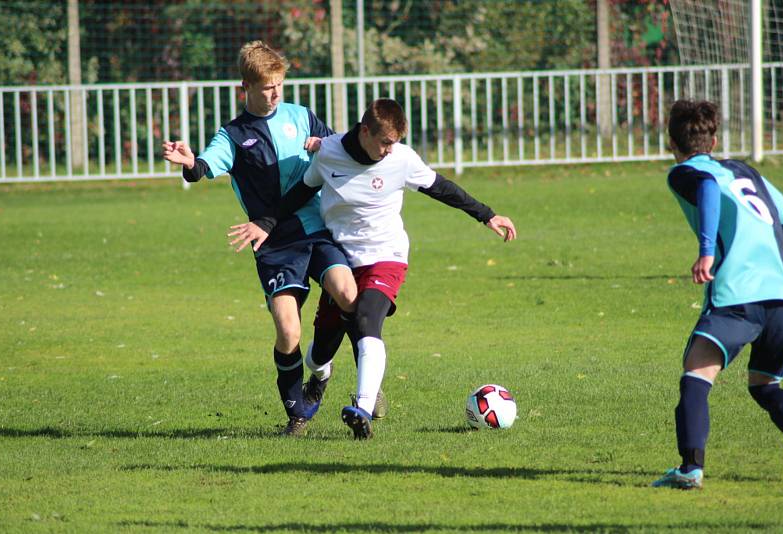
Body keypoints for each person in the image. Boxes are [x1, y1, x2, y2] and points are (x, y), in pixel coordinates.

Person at [237, 98, 517, 439]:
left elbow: (441, 187)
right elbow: (301, 191)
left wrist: (487, 214)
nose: (389, 150)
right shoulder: (329, 152)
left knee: (367, 318)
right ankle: (321, 376)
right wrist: (265, 222)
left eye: (394, 142)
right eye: (385, 142)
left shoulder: (402, 158)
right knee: (318, 354)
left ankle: (363, 408)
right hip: (342, 258)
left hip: (387, 255)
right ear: (365, 131)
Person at [161, 40, 357, 437]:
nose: (275, 93)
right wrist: (189, 164)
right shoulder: (233, 135)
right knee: (288, 330)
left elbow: (339, 150)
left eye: (279, 84)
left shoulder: (301, 116)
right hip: (274, 243)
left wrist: (326, 144)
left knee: (347, 293)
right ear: (245, 87)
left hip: (317, 229)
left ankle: (327, 370)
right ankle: (298, 411)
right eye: (267, 86)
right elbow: (204, 166)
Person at [652, 99, 783, 489]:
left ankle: (690, 469)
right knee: (765, 386)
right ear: (713, 139)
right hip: (782, 294)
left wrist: (707, 251)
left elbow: (708, 189)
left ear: (670, 141)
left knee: (696, 372)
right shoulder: (745, 171)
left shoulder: (685, 171)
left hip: (738, 295)